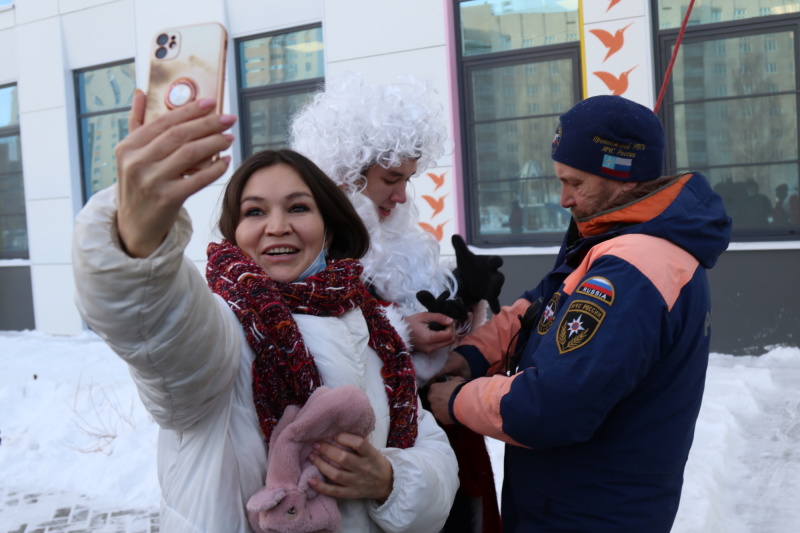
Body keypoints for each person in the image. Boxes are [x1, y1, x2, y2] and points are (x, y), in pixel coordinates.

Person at [71, 92, 458, 532]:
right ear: (235, 233)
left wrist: (389, 480)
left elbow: (433, 456)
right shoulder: (223, 325)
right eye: (255, 211)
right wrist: (137, 238)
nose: (278, 226)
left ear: (329, 226)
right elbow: (157, 325)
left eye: (298, 207)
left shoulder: (374, 329)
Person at [428, 95, 732, 532]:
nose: (564, 199)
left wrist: (456, 400)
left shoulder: (632, 269)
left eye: (575, 183)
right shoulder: (614, 237)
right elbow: (544, 306)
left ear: (624, 179)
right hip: (569, 501)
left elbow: (551, 407)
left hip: (591, 511)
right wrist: (471, 354)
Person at [290, 74, 503, 533]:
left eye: (408, 179)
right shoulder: (306, 257)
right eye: (392, 179)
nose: (403, 195)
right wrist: (404, 334)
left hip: (436, 455)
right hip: (367, 464)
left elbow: (421, 336)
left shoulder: (398, 241)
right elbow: (325, 355)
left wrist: (466, 308)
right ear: (347, 174)